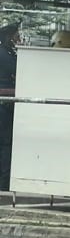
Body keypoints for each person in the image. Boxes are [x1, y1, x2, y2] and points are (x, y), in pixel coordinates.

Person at [0, 24, 19, 191]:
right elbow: (18, 70)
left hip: (5, 103)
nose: (18, 38)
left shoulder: (7, 52)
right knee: (6, 143)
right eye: (15, 35)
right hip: (3, 104)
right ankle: (3, 183)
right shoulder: (4, 54)